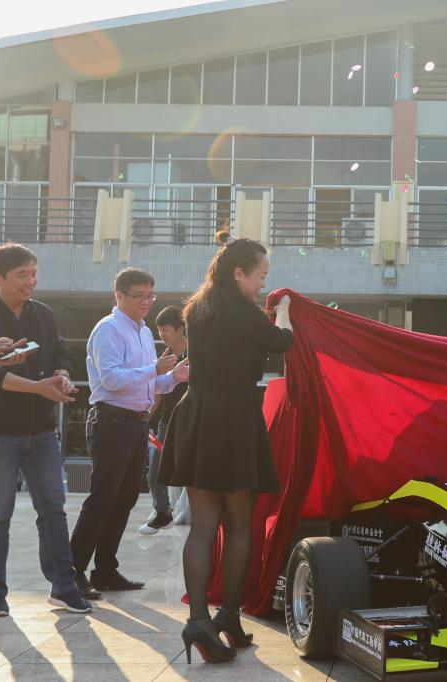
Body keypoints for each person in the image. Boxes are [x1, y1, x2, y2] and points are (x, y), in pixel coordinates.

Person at [158, 234, 293, 664]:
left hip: (197, 415)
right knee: (238, 525)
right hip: (234, 418)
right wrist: (284, 308)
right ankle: (228, 615)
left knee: (202, 526)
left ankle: (200, 619)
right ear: (238, 273)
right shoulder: (247, 315)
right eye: (260, 276)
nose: (262, 283)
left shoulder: (197, 309)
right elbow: (283, 342)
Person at [69, 268, 189, 596]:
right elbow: (111, 379)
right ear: (119, 295)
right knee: (102, 498)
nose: (146, 302)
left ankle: (105, 571)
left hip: (136, 422)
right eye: (139, 296)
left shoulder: (142, 331)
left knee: (125, 499)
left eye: (151, 295)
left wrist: (174, 377)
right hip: (111, 421)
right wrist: (154, 369)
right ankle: (72, 572)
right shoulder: (108, 329)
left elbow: (150, 383)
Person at [0, 243, 94, 617]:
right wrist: (38, 387)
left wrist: (62, 375)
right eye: (23, 275)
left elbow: (61, 353)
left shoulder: (44, 315)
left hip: (43, 432)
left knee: (53, 509)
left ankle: (64, 586)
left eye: (34, 273)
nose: (31, 281)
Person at [139, 306, 189, 535]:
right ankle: (162, 512)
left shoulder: (197, 353)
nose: (162, 334)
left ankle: (197, 515)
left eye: (166, 329)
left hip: (193, 423)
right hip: (167, 423)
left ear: (180, 329)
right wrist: (144, 417)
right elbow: (157, 393)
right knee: (156, 473)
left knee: (193, 474)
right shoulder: (163, 358)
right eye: (159, 330)